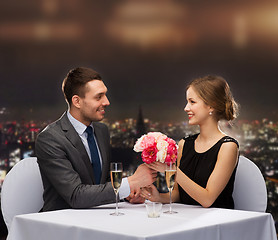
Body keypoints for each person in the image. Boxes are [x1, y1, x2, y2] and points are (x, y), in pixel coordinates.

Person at [35, 67, 155, 211]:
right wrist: (131, 182)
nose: (107, 102)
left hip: (97, 217)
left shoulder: (101, 131)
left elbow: (101, 183)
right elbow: (76, 196)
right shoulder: (50, 139)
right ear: (77, 102)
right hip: (61, 224)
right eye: (99, 97)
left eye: (105, 95)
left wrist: (125, 194)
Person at [141, 75, 239, 209]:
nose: (186, 108)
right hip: (188, 218)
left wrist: (171, 170)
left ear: (211, 106)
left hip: (216, 222)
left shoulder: (228, 147)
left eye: (192, 102)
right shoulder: (184, 144)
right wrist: (159, 197)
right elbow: (177, 194)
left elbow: (207, 199)